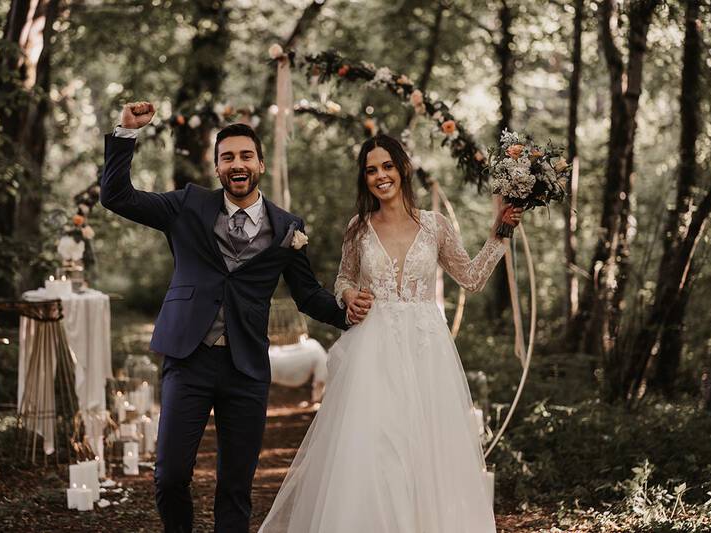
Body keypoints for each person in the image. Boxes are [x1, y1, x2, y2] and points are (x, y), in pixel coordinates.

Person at [100, 101, 374, 533]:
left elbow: (307, 295)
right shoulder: (187, 205)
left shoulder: (288, 227)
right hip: (188, 358)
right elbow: (117, 196)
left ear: (260, 164)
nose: (237, 164)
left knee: (235, 487)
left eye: (246, 155)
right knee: (170, 476)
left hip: (245, 367)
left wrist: (348, 311)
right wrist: (126, 132)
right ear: (218, 168)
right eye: (227, 157)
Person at [259, 134, 523, 532]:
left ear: (402, 168)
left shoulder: (436, 226)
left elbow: (471, 278)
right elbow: (343, 277)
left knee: (424, 451)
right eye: (371, 170)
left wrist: (500, 234)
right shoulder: (359, 228)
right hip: (374, 351)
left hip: (425, 352)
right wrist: (349, 295)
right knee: (377, 450)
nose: (380, 176)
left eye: (386, 166)